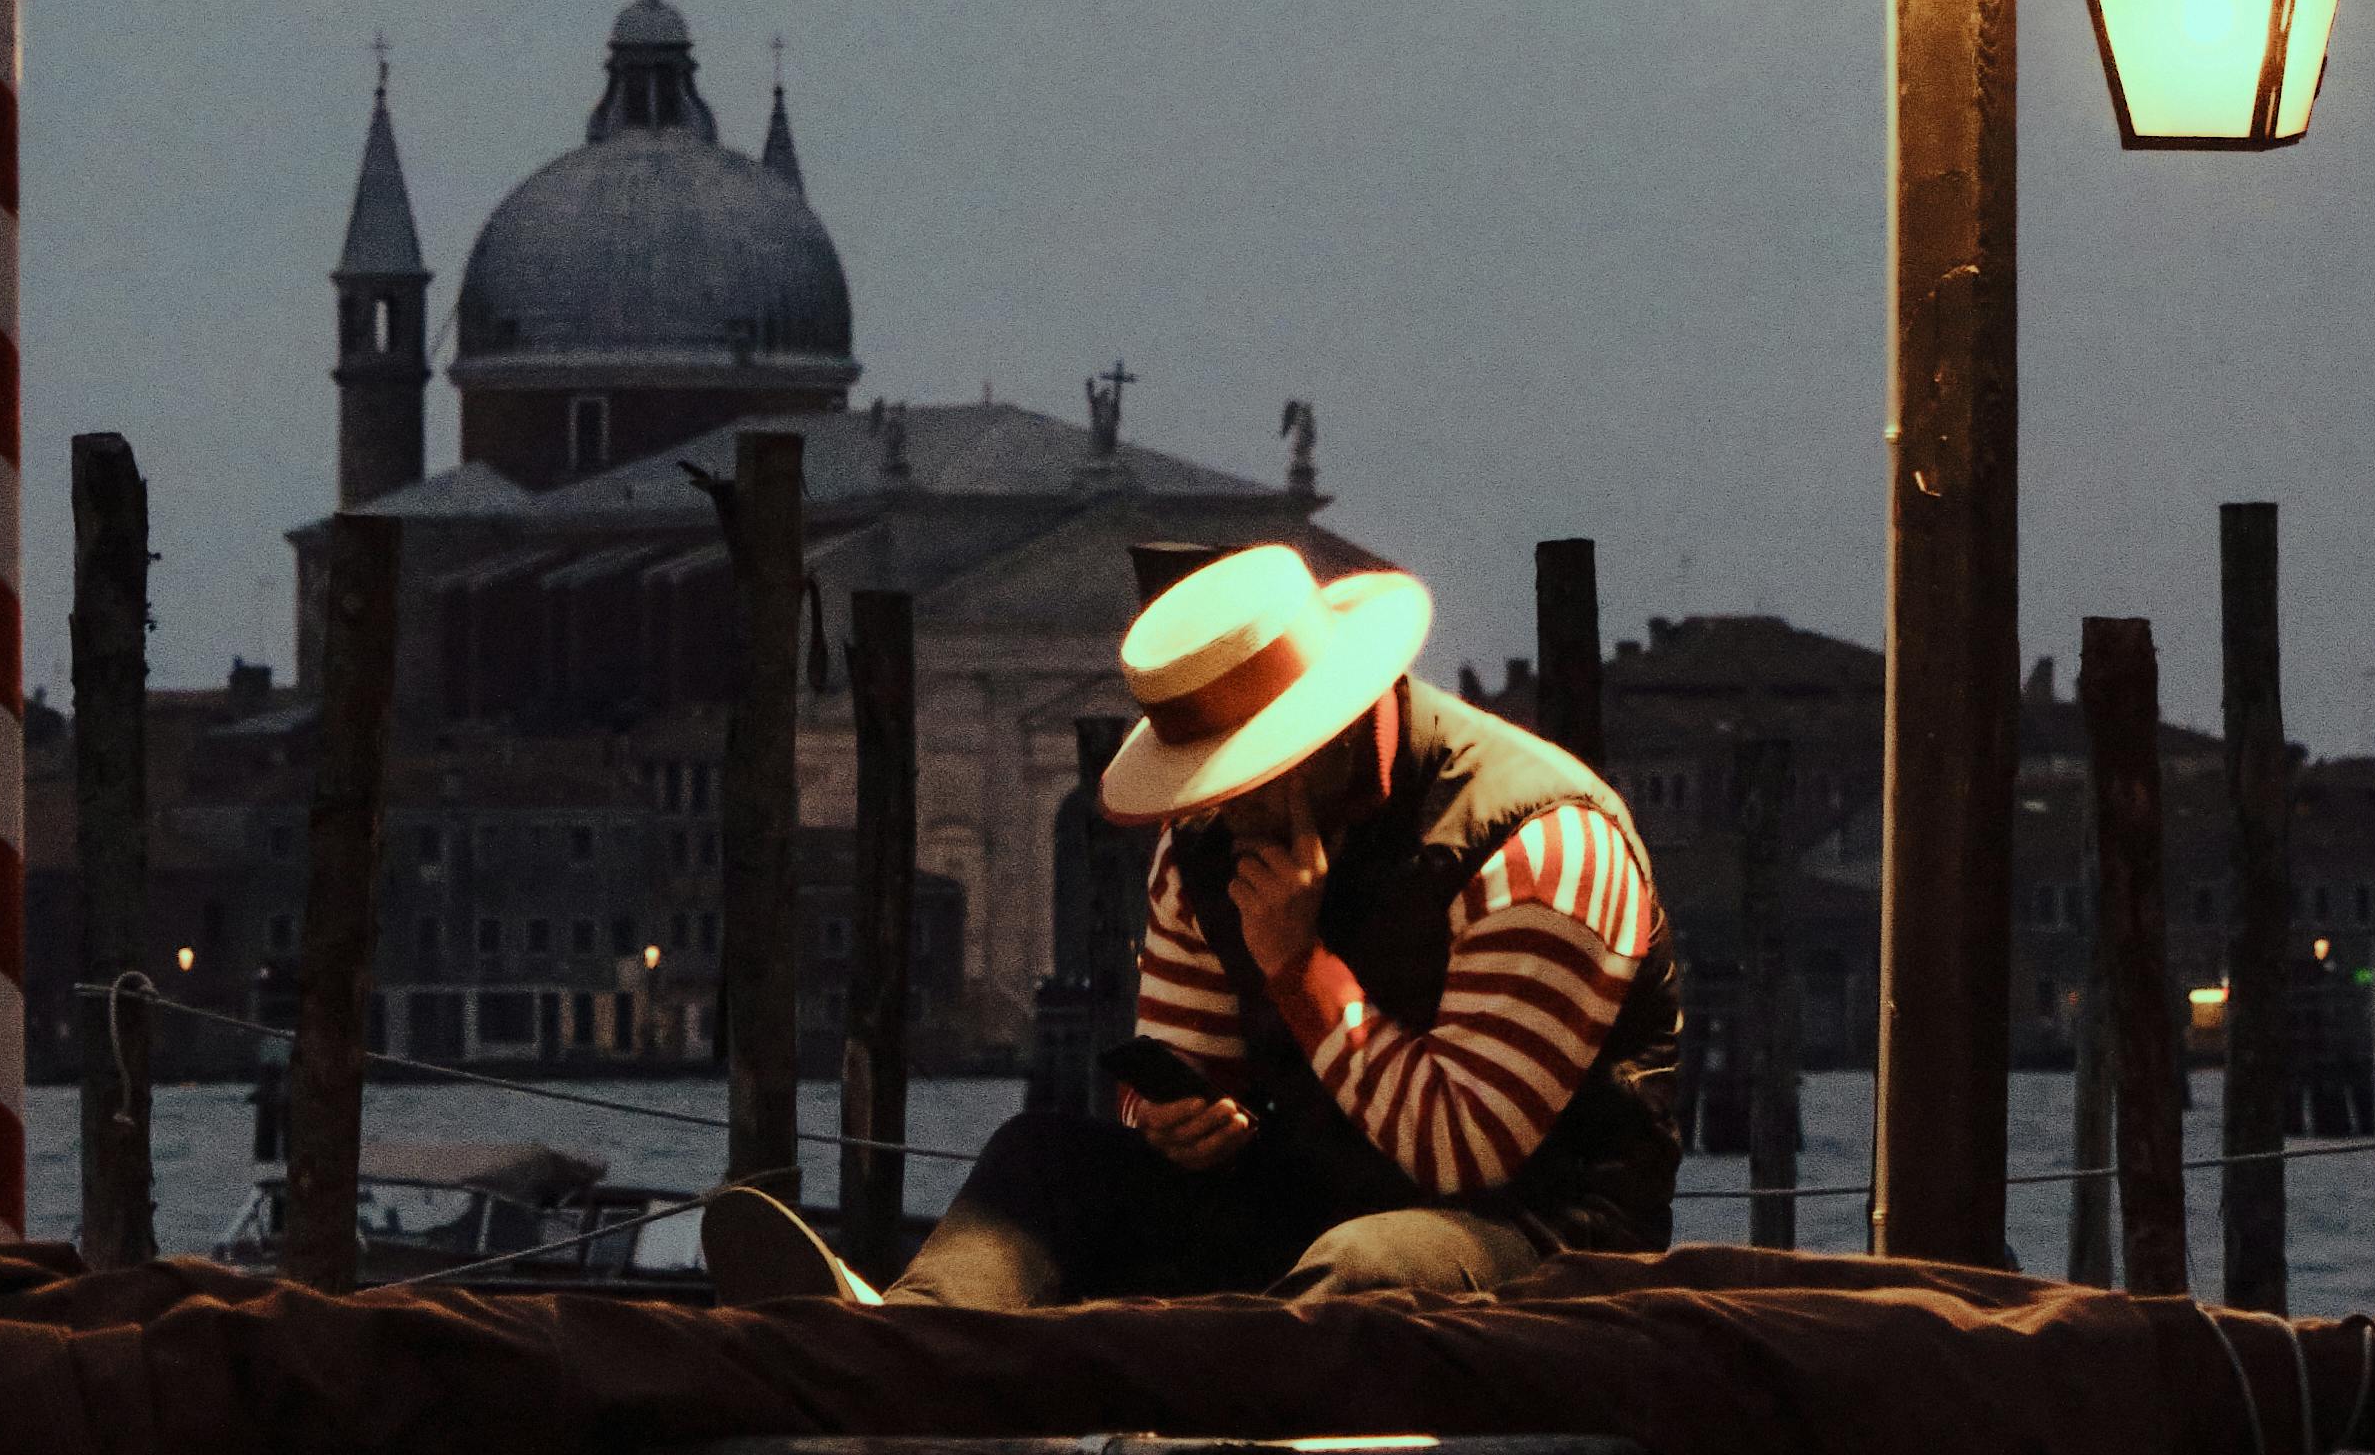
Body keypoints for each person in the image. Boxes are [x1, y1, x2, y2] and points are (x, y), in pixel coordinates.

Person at [707, 539, 1680, 1312]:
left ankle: (1197, 1423)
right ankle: (913, 1345)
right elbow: (1186, 1059)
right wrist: (1183, 1121)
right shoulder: (1203, 847)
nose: (1219, 809)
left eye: (1244, 776)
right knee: (1040, 1159)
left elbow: (1465, 1152)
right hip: (1307, 1200)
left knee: (1367, 1265)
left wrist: (1300, 968)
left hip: (1543, 1229)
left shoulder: (1542, 843)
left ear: (1335, 731)